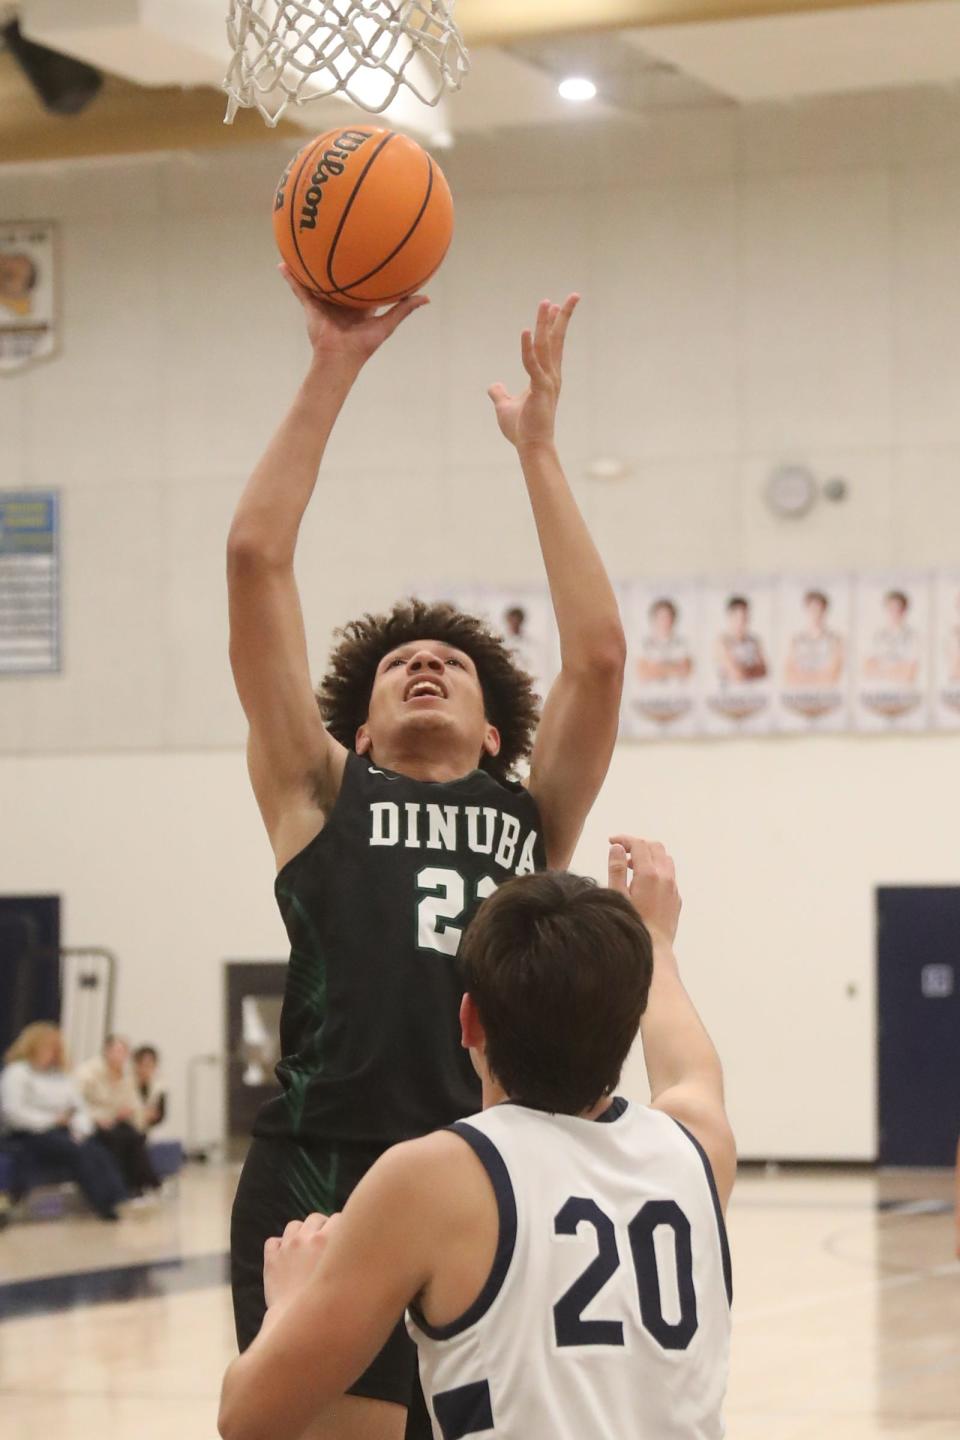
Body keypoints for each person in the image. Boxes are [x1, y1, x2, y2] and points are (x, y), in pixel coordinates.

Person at [226, 275, 625, 1438]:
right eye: (400, 660)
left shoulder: (532, 810)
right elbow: (257, 559)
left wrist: (539, 453)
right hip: (325, 1162)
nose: (424, 661)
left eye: (449, 660)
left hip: (488, 1163)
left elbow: (596, 659)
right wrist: (333, 365)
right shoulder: (320, 790)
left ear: (499, 730)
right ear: (356, 727)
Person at [219, 837, 735, 1440]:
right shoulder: (697, 1152)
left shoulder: (434, 1178)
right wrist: (655, 940)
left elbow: (247, 1416)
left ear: (467, 1021)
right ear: (629, 1025)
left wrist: (288, 1303)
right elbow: (689, 1069)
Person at [0, 1022, 127, 1221]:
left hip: (62, 1131)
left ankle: (120, 1198)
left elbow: (79, 1108)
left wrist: (80, 1130)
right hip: (29, 1133)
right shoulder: (17, 1073)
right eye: (49, 1047)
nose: (53, 1053)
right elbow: (13, 1112)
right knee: (78, 1152)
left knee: (96, 1149)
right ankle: (104, 1204)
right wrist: (52, 1120)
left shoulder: (61, 1077)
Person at [77, 1035, 160, 1196]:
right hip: (93, 1124)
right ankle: (123, 1188)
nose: (120, 1056)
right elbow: (76, 1103)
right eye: (117, 1051)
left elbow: (135, 1105)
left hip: (118, 1124)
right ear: (106, 1052)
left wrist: (140, 1115)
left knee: (135, 1136)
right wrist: (96, 1118)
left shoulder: (126, 1077)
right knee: (118, 1138)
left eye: (124, 1052)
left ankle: (138, 1187)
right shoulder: (87, 1073)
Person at [784, 590, 844, 687]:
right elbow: (789, 673)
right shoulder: (796, 640)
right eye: (812, 609)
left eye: (819, 609)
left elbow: (834, 673)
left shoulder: (835, 639)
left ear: (824, 611)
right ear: (806, 610)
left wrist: (816, 679)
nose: (816, 613)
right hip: (801, 695)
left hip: (826, 695)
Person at [863, 590, 919, 686]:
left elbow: (909, 674)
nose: (894, 613)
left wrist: (881, 670)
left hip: (903, 693)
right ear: (885, 609)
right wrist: (897, 669)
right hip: (877, 693)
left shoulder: (913, 637)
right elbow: (867, 670)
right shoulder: (876, 635)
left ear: (904, 610)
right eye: (891, 608)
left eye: (898, 609)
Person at [636, 597, 694, 683]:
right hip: (649, 695)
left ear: (674, 619)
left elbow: (686, 671)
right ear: (654, 619)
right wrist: (674, 667)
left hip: (678, 694)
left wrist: (655, 668)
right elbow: (642, 673)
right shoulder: (644, 644)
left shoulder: (682, 643)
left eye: (668, 617)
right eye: (661, 617)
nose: (665, 621)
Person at [715, 595, 768, 684]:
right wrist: (752, 670)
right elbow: (736, 675)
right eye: (739, 617)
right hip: (728, 695)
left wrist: (743, 670)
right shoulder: (722, 642)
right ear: (730, 616)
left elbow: (764, 671)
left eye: (745, 616)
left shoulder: (754, 641)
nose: (743, 621)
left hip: (753, 694)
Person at [132, 1045, 166, 1129]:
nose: (146, 1069)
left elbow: (159, 1114)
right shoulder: (125, 1084)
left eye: (150, 1065)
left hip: (146, 1133)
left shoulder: (159, 1087)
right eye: (143, 1064)